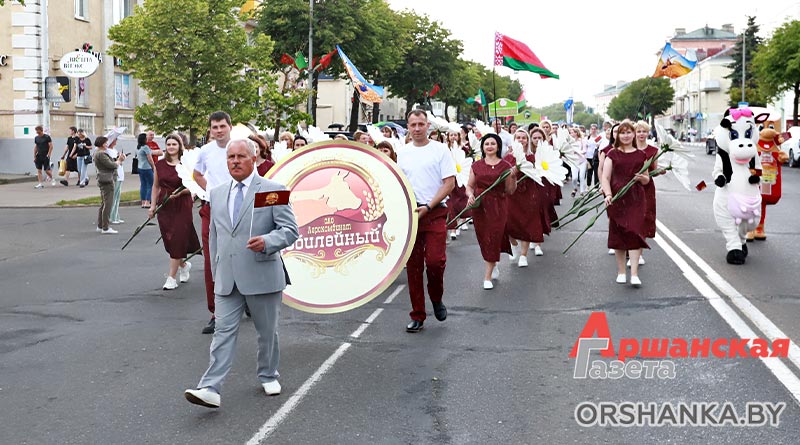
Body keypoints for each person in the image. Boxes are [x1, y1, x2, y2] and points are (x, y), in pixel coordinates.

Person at [183, 138, 299, 409]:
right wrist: (215, 271)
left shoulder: (273, 190)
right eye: (231, 157)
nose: (235, 161)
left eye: (240, 156)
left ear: (253, 158)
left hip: (262, 274)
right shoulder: (217, 192)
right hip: (227, 278)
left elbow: (290, 230)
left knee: (267, 332)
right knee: (222, 332)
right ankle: (210, 387)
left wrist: (268, 241)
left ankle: (268, 374)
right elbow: (214, 236)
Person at [396, 109, 456, 333]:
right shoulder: (403, 153)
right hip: (411, 214)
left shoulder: (440, 150)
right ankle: (417, 315)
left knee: (434, 262)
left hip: (435, 212)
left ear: (428, 125)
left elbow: (449, 183)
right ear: (408, 127)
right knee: (413, 267)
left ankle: (436, 298)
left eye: (421, 124)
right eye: (413, 125)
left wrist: (429, 206)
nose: (417, 128)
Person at [194, 111, 234, 334]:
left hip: (238, 208)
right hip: (212, 208)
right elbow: (197, 174)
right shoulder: (206, 151)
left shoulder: (241, 147)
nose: (218, 131)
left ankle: (246, 299)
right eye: (214, 127)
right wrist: (210, 190)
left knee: (242, 255)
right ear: (210, 130)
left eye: (222, 126)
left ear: (230, 127)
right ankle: (216, 313)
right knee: (212, 260)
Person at [149, 134, 201, 290]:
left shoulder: (186, 164)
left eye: (174, 144)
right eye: (169, 144)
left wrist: (182, 192)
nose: (171, 147)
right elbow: (156, 186)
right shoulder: (160, 165)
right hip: (165, 205)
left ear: (180, 146)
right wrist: (152, 206)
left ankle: (171, 278)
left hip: (182, 204)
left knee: (178, 238)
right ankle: (183, 265)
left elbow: (195, 185)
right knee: (170, 240)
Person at [601, 121, 649, 287]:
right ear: (618, 136)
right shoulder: (612, 154)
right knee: (619, 235)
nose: (626, 135)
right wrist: (608, 194)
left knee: (635, 232)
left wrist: (642, 178)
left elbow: (647, 179)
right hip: (617, 198)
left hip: (636, 199)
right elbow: (605, 177)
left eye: (629, 132)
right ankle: (621, 271)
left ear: (633, 134)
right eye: (622, 133)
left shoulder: (641, 155)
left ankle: (634, 273)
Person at [467, 134, 516, 289]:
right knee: (484, 238)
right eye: (486, 143)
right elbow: (469, 186)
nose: (489, 146)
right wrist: (470, 196)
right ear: (482, 147)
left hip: (498, 206)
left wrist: (513, 177)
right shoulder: (476, 165)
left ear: (498, 146)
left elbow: (510, 190)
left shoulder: (505, 165)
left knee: (493, 237)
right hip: (480, 207)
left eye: (493, 143)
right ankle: (493, 263)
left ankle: (487, 277)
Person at [504, 129, 545, 266]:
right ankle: (513, 244)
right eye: (518, 137)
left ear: (527, 140)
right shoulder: (508, 158)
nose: (521, 140)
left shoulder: (532, 157)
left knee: (527, 223)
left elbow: (537, 173)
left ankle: (523, 255)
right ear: (514, 140)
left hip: (528, 193)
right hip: (512, 194)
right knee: (508, 223)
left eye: (524, 138)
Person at [633, 120, 659, 266]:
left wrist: (660, 171)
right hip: (630, 188)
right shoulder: (629, 148)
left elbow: (654, 171)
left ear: (648, 133)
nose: (641, 134)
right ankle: (630, 249)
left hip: (646, 188)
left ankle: (639, 253)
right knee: (631, 219)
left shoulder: (653, 151)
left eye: (644, 131)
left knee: (643, 219)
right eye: (639, 131)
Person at [92, 137, 124, 234]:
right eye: (106, 143)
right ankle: (105, 227)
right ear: (102, 144)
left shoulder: (98, 153)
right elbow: (112, 165)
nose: (107, 144)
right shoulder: (101, 154)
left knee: (104, 203)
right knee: (108, 204)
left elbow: (109, 163)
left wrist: (117, 160)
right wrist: (119, 160)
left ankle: (100, 225)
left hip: (103, 178)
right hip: (107, 179)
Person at [106, 137, 126, 224]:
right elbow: (113, 163)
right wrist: (119, 159)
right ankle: (112, 217)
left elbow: (119, 161)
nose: (116, 141)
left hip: (120, 174)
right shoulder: (107, 151)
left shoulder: (114, 150)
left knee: (117, 197)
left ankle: (116, 216)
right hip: (114, 176)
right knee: (113, 197)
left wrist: (121, 158)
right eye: (115, 139)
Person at [136, 133, 156, 208]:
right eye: (146, 138)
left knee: (143, 184)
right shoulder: (146, 147)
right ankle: (147, 202)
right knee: (151, 184)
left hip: (140, 167)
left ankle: (143, 202)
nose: (147, 139)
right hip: (147, 168)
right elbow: (150, 158)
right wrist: (153, 167)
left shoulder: (138, 147)